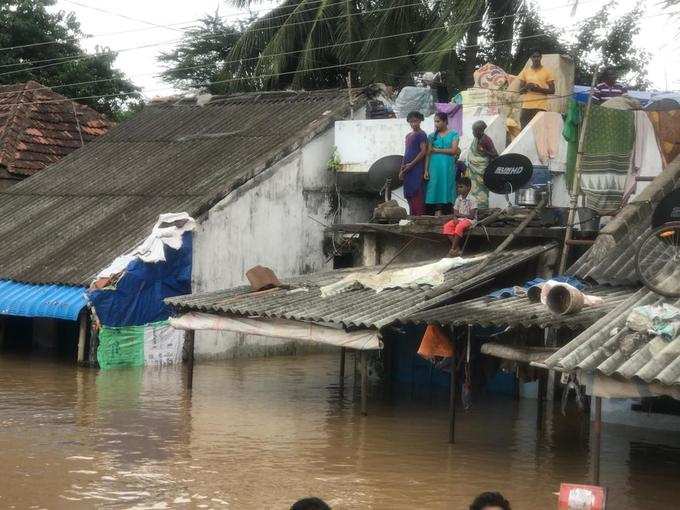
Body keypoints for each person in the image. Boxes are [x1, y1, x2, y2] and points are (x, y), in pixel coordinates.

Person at [425, 112, 460, 216]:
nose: (436, 124)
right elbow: (428, 153)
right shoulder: (431, 136)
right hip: (434, 166)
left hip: (448, 166)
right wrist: (426, 170)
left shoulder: (454, 134)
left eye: (438, 121)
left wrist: (436, 150)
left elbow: (454, 150)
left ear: (445, 122)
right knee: (434, 186)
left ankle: (448, 213)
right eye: (435, 121)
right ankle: (436, 212)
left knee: (447, 186)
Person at [399, 111, 428, 216]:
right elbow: (406, 152)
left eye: (415, 121)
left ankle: (419, 218)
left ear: (420, 121)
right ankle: (412, 217)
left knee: (417, 192)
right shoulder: (408, 136)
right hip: (407, 170)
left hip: (417, 168)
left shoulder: (422, 134)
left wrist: (411, 165)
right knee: (409, 194)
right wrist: (401, 170)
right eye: (411, 122)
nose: (413, 124)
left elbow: (423, 151)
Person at [517, 50, 555, 128]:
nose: (536, 58)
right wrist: (527, 87)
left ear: (541, 57)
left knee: (538, 129)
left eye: (538, 56)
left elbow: (552, 91)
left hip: (541, 106)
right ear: (531, 58)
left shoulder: (547, 72)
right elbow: (520, 91)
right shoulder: (525, 72)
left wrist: (537, 89)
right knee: (524, 128)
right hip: (526, 106)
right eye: (534, 57)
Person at [466, 120, 498, 209]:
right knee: (472, 191)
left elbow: (495, 155)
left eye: (475, 131)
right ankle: (473, 209)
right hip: (473, 170)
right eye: (473, 130)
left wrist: (484, 151)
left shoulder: (486, 140)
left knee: (481, 193)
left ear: (481, 130)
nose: (473, 133)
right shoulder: (476, 139)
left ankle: (482, 209)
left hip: (481, 170)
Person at [442, 177, 477, 257]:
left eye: (461, 187)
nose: (459, 189)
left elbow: (471, 216)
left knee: (459, 227)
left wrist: (459, 215)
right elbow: (455, 212)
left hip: (470, 221)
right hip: (460, 219)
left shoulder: (472, 199)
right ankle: (457, 248)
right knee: (447, 226)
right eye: (458, 187)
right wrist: (455, 218)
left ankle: (452, 249)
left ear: (468, 188)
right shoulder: (458, 199)